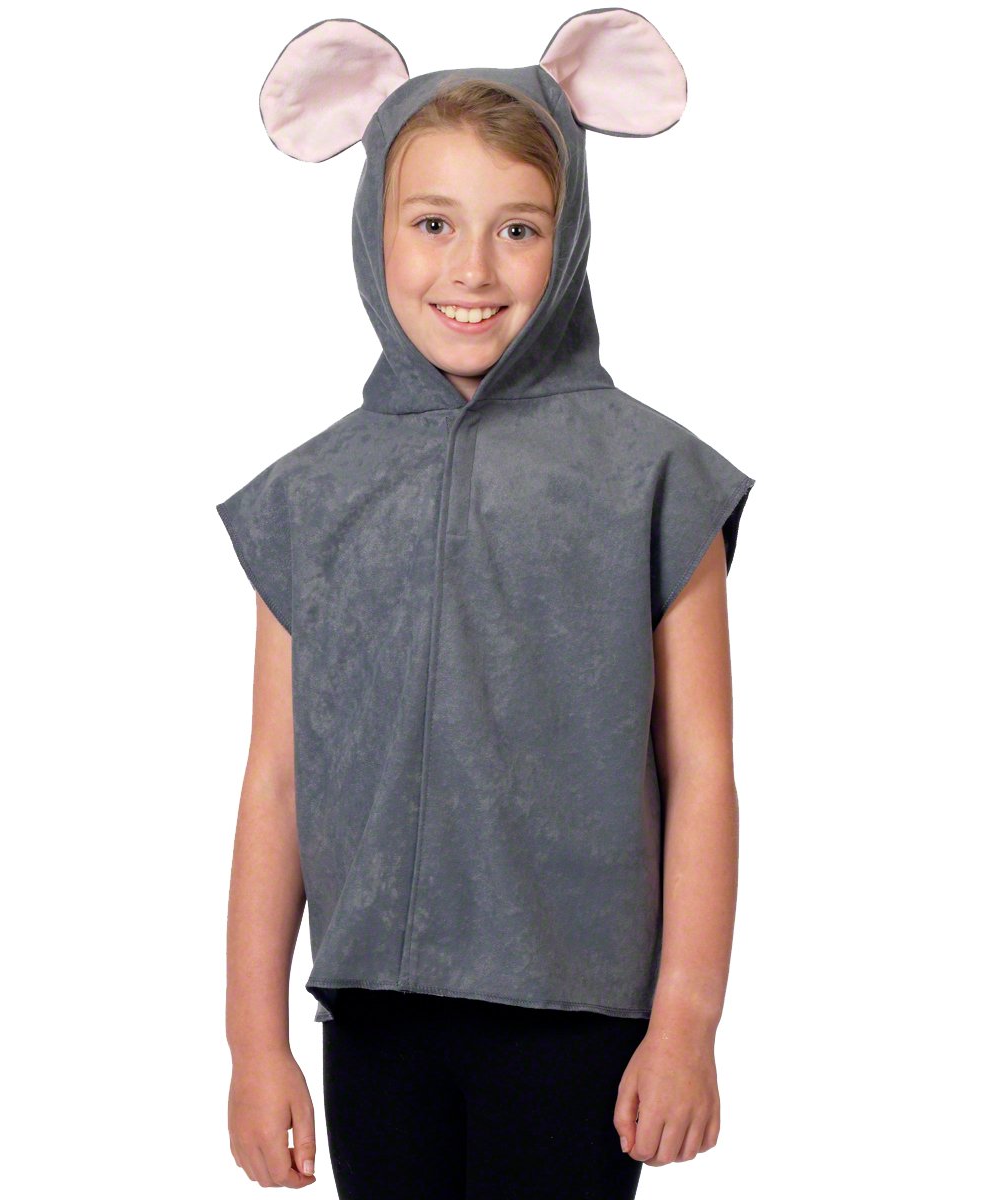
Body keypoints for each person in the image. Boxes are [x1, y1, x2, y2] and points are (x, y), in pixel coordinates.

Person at [217, 11, 755, 1197]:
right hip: (373, 1017)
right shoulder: (311, 496)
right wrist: (255, 1045)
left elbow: (702, 769)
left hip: (579, 1019)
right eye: (433, 224)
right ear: (375, 229)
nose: (471, 270)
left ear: (570, 237)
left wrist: (687, 1023)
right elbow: (277, 779)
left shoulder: (653, 480)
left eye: (519, 227)